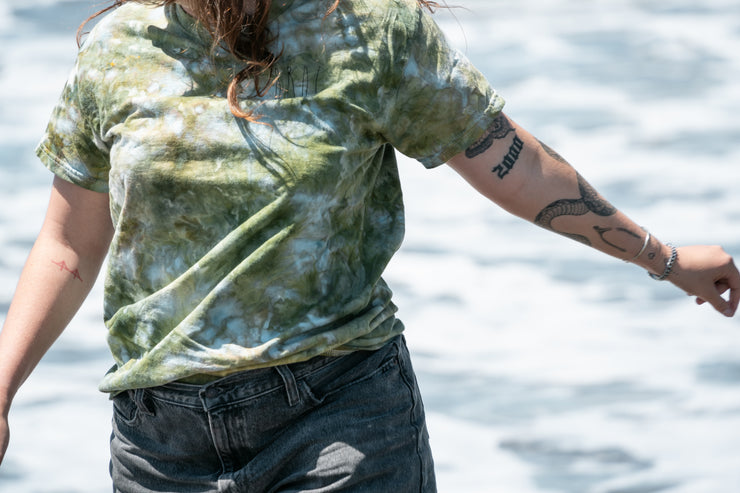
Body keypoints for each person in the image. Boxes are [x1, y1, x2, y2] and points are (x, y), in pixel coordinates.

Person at [0, 0, 738, 491]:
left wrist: (663, 259)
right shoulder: (119, 50)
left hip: (337, 420)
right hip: (160, 447)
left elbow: (516, 167)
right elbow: (68, 245)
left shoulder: (369, 31)